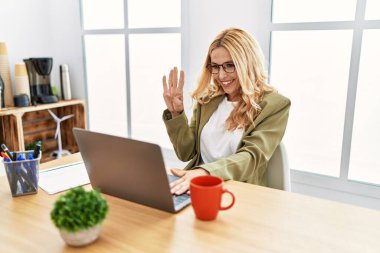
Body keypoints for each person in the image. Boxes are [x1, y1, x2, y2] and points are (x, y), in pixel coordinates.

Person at [162, 27, 290, 195]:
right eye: (215, 66)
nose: (221, 75)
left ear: (248, 64)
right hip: (198, 189)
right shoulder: (207, 101)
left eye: (229, 65)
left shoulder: (274, 105)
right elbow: (186, 153)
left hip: (239, 193)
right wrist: (177, 114)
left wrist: (206, 172)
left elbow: (251, 157)